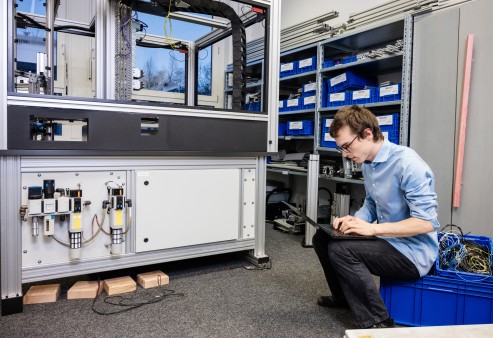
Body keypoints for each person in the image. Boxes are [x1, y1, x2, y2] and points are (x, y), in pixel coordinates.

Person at [313, 105, 439, 329]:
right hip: (388, 240)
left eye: (346, 146)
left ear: (367, 134)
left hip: (413, 253)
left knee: (341, 250)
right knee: (323, 239)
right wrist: (355, 220)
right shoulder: (369, 163)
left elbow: (426, 222)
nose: (344, 154)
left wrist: (372, 229)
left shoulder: (407, 164)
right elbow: (372, 202)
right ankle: (344, 298)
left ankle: (378, 322)